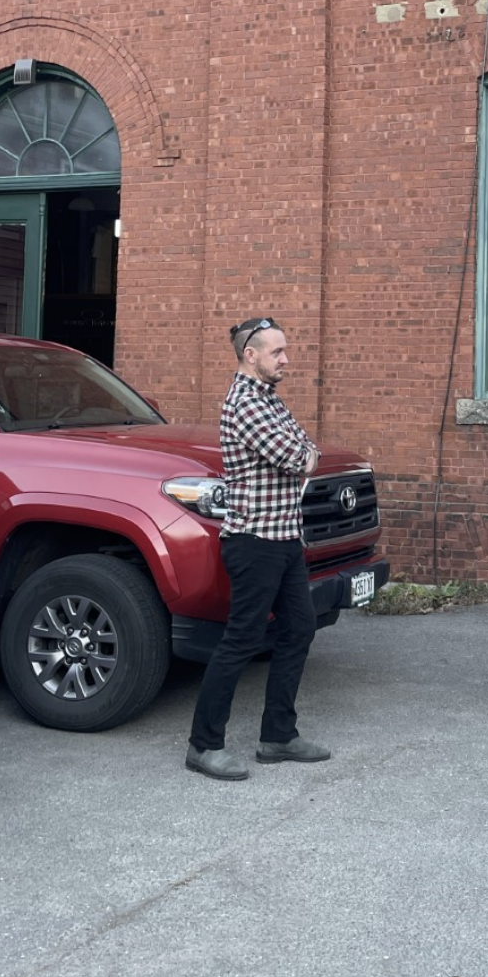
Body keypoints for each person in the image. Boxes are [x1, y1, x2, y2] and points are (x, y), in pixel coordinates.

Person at [186, 317, 329, 780]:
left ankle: (278, 736)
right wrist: (304, 453)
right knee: (241, 640)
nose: (286, 359)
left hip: (285, 537)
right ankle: (204, 745)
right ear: (251, 355)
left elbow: (308, 448)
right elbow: (298, 457)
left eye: (285, 350)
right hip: (254, 541)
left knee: (299, 629)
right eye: (277, 352)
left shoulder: (270, 400)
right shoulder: (246, 404)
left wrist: (304, 452)